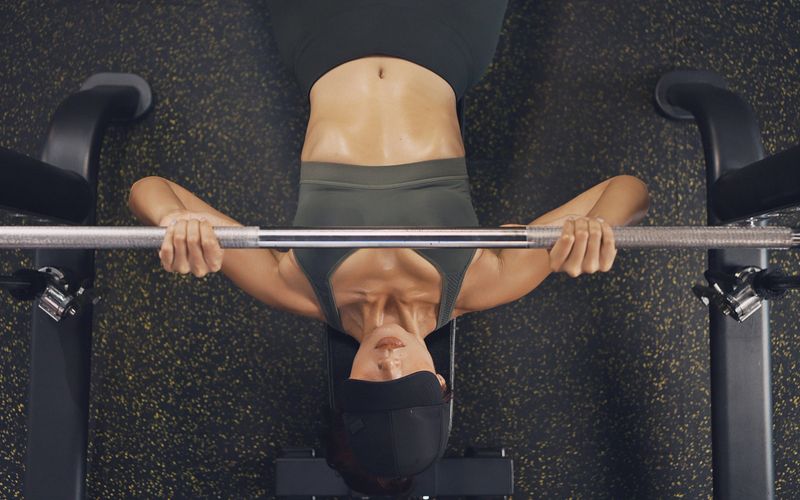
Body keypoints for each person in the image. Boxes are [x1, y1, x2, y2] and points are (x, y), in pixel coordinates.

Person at [127, 0, 650, 495]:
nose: (391, 365)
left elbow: (147, 188)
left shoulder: (299, 287)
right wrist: (598, 224)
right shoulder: (482, 282)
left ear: (347, 388)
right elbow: (629, 188)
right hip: (446, 36)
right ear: (440, 381)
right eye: (410, 384)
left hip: (323, 37)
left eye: (376, 386)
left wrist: (175, 220)